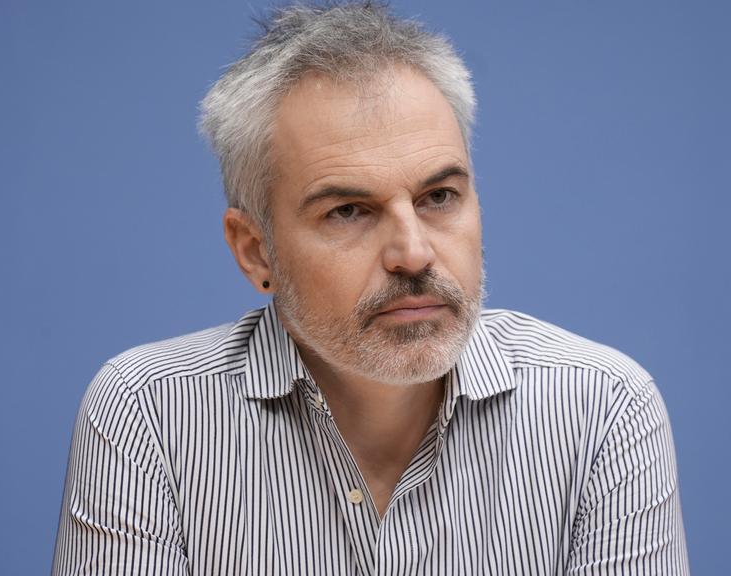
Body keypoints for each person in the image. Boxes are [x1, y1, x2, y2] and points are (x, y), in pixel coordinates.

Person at [52, 3, 689, 574]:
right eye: (349, 211)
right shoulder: (148, 418)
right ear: (255, 250)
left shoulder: (602, 408)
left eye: (439, 197)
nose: (413, 253)